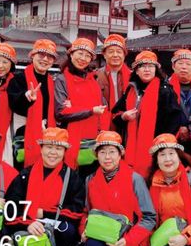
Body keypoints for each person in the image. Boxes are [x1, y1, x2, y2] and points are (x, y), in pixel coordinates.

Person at [67, 130, 156, 246]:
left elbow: (149, 217)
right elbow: (86, 212)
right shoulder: (90, 180)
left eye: (112, 152)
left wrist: (128, 240)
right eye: (102, 152)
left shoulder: (135, 179)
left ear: (120, 153)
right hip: (100, 234)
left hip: (128, 240)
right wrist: (83, 229)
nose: (107, 157)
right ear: (96, 155)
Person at [4, 126, 86, 246]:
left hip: (57, 224)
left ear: (64, 152)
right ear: (41, 148)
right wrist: (28, 223)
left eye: (58, 148)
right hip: (33, 225)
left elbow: (76, 210)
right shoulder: (25, 175)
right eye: (49, 147)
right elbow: (11, 207)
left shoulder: (72, 177)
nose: (53, 153)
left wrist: (45, 213)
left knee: (68, 230)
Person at [112, 50, 182, 176]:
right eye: (143, 66)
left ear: (156, 70)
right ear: (136, 71)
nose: (147, 70)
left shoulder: (165, 91)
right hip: (131, 146)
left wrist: (162, 145)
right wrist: (124, 116)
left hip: (157, 148)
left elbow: (174, 120)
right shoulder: (131, 90)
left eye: (151, 66)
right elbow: (115, 114)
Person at [54, 37, 107, 170]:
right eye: (80, 53)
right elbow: (60, 113)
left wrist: (74, 108)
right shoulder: (61, 79)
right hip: (69, 138)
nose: (83, 58)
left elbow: (103, 108)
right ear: (71, 54)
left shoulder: (92, 80)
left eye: (88, 56)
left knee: (89, 174)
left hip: (92, 139)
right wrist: (90, 111)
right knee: (70, 174)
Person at [8, 39, 58, 167]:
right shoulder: (19, 78)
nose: (45, 59)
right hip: (24, 131)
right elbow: (13, 103)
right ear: (32, 56)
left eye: (50, 57)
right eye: (41, 55)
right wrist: (26, 97)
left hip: (47, 131)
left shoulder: (52, 81)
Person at [168, 49, 191, 170]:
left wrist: (190, 129)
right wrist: (178, 127)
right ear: (173, 66)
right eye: (180, 63)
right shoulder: (164, 87)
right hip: (172, 137)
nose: (184, 67)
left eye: (188, 64)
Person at [95, 34, 131, 132]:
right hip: (102, 124)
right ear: (104, 55)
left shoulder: (134, 77)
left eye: (119, 51)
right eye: (111, 52)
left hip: (126, 122)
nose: (115, 55)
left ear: (124, 55)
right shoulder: (95, 76)